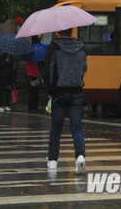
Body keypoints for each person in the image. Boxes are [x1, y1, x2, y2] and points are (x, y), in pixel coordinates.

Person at [43, 28, 87, 174]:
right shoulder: (81, 47)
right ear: (71, 32)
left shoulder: (54, 47)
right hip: (77, 92)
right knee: (77, 128)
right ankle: (80, 157)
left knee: (56, 128)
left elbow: (48, 71)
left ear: (57, 32)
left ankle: (53, 161)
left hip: (59, 93)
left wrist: (49, 91)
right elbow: (84, 68)